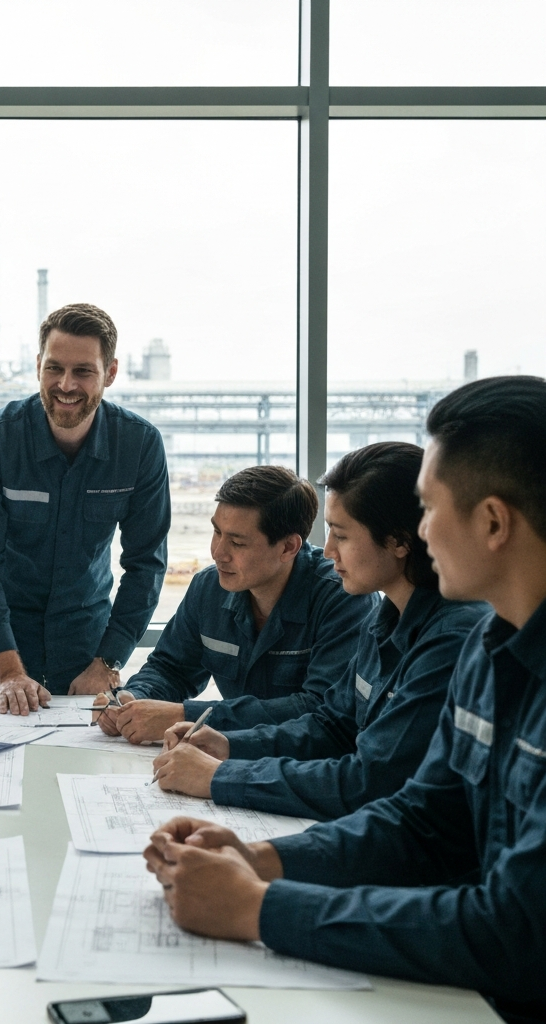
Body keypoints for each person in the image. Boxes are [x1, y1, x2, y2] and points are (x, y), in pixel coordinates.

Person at [143, 376, 546, 1024]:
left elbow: (516, 931)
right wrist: (261, 860)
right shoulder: (491, 646)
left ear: (493, 521)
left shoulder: (459, 635)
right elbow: (422, 820)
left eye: (430, 509)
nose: (421, 531)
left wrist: (257, 907)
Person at [150, 442, 487, 820]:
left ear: (400, 541)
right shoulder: (388, 617)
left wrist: (222, 776)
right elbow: (333, 726)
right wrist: (229, 745)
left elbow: (368, 781)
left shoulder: (451, 639)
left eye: (340, 535)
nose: (327, 551)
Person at [0, 303, 170, 715]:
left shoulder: (139, 446)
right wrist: (8, 671)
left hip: (87, 647)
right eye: (54, 368)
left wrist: (107, 661)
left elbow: (147, 565)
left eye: (83, 371)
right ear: (38, 366)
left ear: (110, 373)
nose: (66, 384)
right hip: (1, 645)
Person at [96, 465, 376, 744]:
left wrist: (186, 715)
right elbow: (171, 668)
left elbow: (319, 710)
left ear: (289, 547)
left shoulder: (344, 597)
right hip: (236, 756)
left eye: (237, 542)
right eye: (217, 532)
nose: (218, 553)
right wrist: (134, 698)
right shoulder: (208, 588)